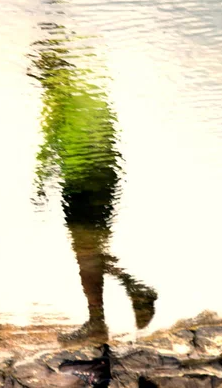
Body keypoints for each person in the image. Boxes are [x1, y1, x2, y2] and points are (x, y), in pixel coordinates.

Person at [29, 23, 157, 342]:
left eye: (41, 68)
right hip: (102, 180)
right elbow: (110, 138)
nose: (38, 76)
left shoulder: (59, 98)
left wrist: (42, 182)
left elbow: (50, 143)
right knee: (90, 250)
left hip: (81, 183)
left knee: (85, 253)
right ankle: (132, 293)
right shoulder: (90, 94)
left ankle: (99, 321)